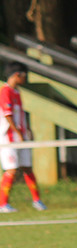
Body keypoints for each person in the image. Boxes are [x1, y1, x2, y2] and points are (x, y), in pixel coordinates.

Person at [0, 62, 47, 213]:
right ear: (17, 75)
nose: (25, 79)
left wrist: (27, 130)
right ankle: (3, 204)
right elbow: (8, 115)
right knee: (11, 170)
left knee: (27, 168)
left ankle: (37, 201)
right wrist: (18, 132)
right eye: (24, 76)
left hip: (21, 136)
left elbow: (20, 115)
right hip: (9, 138)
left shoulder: (17, 92)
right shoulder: (5, 91)